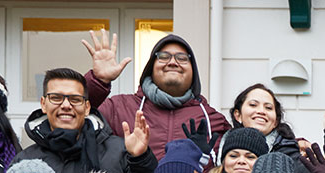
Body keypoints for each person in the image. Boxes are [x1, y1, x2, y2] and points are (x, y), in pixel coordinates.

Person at [12, 67, 156, 173]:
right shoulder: (26, 162)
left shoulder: (119, 152)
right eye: (56, 98)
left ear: (87, 107)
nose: (66, 105)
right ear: (43, 104)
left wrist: (141, 158)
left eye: (75, 99)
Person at [82, 30, 229, 162]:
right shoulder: (118, 108)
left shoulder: (213, 120)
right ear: (150, 68)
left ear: (194, 71)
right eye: (163, 57)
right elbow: (75, 117)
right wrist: (98, 81)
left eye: (182, 58)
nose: (172, 62)